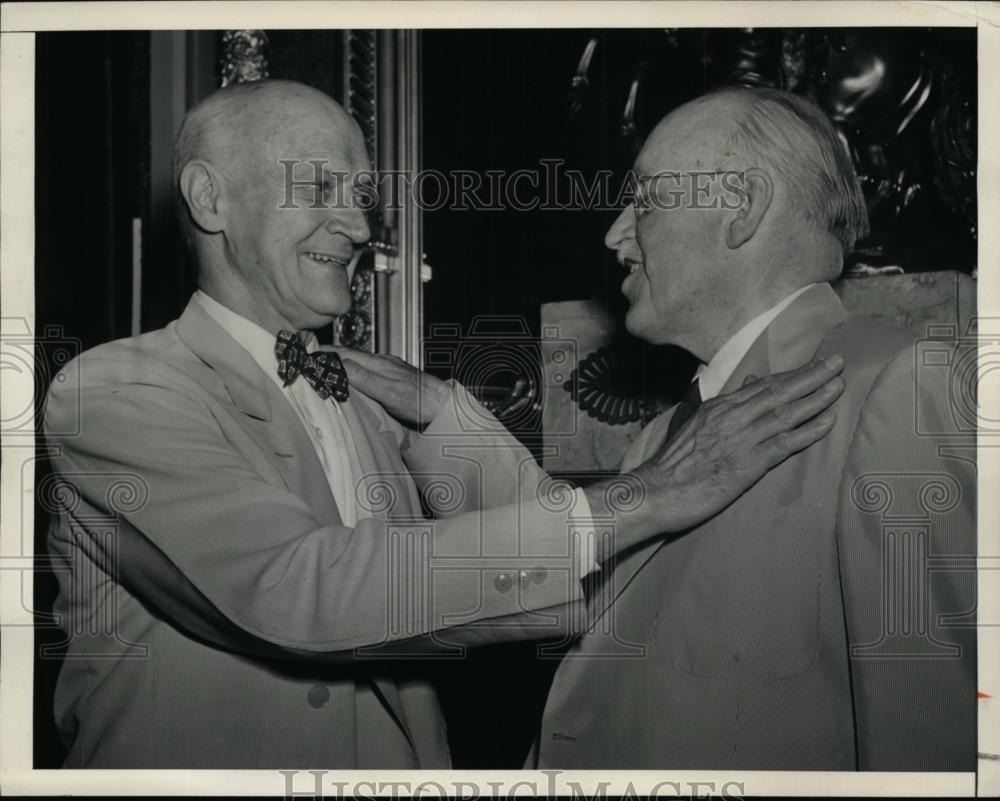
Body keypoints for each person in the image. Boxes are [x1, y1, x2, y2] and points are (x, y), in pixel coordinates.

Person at [42, 79, 844, 769]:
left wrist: (441, 411)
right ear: (210, 198)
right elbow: (296, 588)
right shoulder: (112, 391)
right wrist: (652, 491)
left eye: (360, 199)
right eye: (319, 189)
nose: (358, 228)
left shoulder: (374, 404)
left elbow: (577, 578)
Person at [518, 86, 975, 770]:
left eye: (643, 200)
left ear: (742, 206)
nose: (614, 234)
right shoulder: (659, 439)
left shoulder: (899, 390)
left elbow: (935, 753)